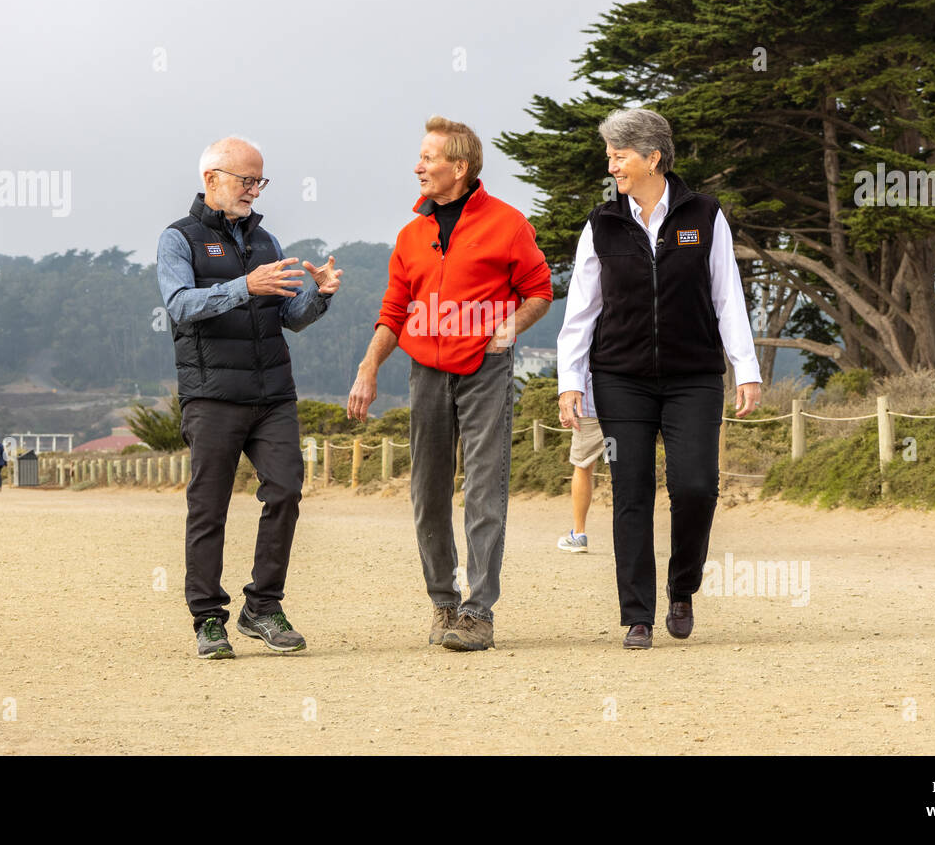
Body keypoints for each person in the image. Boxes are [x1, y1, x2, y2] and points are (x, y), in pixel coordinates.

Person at [557, 108, 762, 650]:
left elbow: (727, 296)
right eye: (609, 154)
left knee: (696, 486)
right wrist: (570, 381)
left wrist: (747, 368)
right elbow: (581, 309)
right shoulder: (602, 223)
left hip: (693, 375)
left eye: (619, 155)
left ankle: (682, 587)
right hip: (620, 378)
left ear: (653, 157)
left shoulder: (705, 215)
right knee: (631, 491)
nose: (611, 164)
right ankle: (638, 614)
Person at [347, 116, 552, 651]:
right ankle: (443, 603)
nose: (418, 166)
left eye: (429, 158)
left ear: (459, 168)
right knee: (427, 489)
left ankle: (478, 612)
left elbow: (539, 288)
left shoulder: (508, 224)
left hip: (486, 370)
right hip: (426, 371)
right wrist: (369, 368)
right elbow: (394, 309)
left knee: (485, 488)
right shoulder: (411, 235)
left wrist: (509, 327)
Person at [157, 135, 341, 660]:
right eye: (246, 180)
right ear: (212, 179)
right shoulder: (177, 240)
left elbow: (290, 317)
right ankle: (207, 619)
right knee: (208, 508)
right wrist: (245, 286)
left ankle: (262, 606)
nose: (255, 191)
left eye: (260, 181)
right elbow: (180, 306)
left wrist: (320, 297)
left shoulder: (268, 242)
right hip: (211, 395)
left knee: (285, 491)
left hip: (273, 395)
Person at [556, 376, 603, 553]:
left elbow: (575, 361)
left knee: (583, 467)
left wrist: (568, 406)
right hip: (620, 410)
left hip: (588, 410)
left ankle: (579, 533)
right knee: (617, 464)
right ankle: (624, 533)